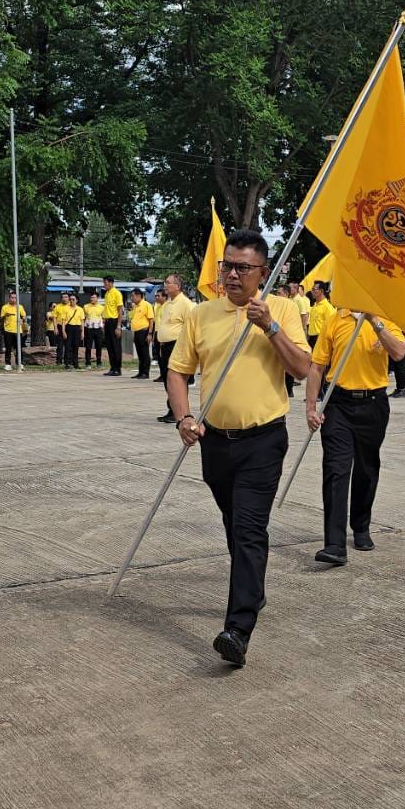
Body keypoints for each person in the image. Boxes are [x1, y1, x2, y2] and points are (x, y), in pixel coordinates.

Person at [166, 229, 311, 668]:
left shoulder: (281, 308)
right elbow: (178, 373)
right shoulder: (202, 314)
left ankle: (237, 629)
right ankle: (254, 588)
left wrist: (270, 327)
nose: (231, 274)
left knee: (249, 529)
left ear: (263, 273)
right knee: (235, 528)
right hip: (216, 443)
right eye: (226, 265)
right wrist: (184, 418)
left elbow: (302, 369)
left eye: (242, 267)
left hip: (263, 440)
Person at [305, 308, 405, 566]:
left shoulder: (386, 319)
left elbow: (399, 352)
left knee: (366, 468)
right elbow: (317, 367)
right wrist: (310, 408)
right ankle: (335, 544)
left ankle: (361, 525)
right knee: (336, 470)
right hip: (338, 404)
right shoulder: (335, 320)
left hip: (373, 404)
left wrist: (376, 322)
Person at [155, 275, 195, 419]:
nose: (166, 285)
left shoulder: (186, 304)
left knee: (177, 380)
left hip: (177, 346)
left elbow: (190, 327)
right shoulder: (167, 304)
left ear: (178, 286)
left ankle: (181, 412)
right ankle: (172, 410)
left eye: (169, 283)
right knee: (167, 380)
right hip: (164, 346)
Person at [100, 276, 124, 375]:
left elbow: (120, 311)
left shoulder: (116, 293)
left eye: (105, 283)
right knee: (109, 346)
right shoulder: (107, 294)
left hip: (114, 321)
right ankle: (112, 367)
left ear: (111, 283)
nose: (104, 285)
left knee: (116, 346)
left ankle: (117, 369)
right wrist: (104, 322)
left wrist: (118, 326)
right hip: (108, 321)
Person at [128, 288, 154, 378]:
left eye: (133, 296)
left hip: (144, 331)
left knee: (144, 353)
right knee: (139, 353)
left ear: (139, 296)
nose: (131, 298)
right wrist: (130, 310)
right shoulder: (135, 306)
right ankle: (140, 371)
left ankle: (145, 373)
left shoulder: (147, 305)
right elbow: (131, 318)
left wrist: (150, 333)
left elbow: (151, 320)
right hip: (136, 332)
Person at [306, 283, 335, 354]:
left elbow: (331, 326)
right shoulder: (315, 305)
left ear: (321, 291)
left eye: (314, 289)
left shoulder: (328, 307)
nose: (311, 291)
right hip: (311, 338)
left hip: (320, 339)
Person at [83, 291, 105, 367]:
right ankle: (88, 362)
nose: (92, 299)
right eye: (91, 297)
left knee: (99, 346)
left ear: (97, 298)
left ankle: (99, 362)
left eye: (94, 297)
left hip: (98, 329)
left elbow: (103, 318)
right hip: (89, 329)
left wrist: (103, 328)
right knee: (88, 346)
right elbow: (84, 317)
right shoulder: (85, 306)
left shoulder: (102, 307)